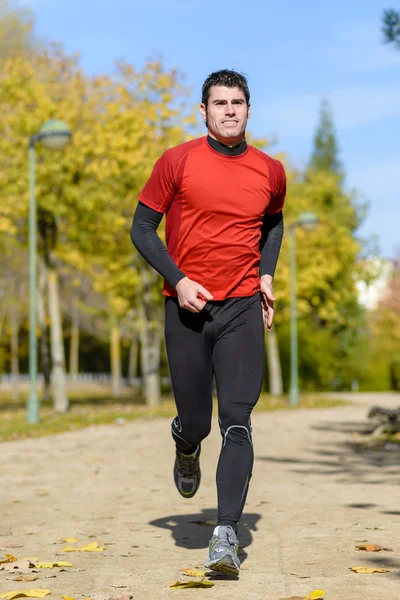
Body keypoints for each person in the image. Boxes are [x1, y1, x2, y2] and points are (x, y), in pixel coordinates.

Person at [130, 69, 286, 576]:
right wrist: (177, 280)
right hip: (188, 308)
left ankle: (225, 534)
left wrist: (265, 275)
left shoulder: (270, 170)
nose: (229, 110)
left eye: (238, 102)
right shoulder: (177, 161)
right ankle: (185, 439)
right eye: (219, 103)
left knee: (237, 421)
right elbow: (142, 227)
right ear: (203, 111)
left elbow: (274, 223)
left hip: (242, 306)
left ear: (248, 108)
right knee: (198, 420)